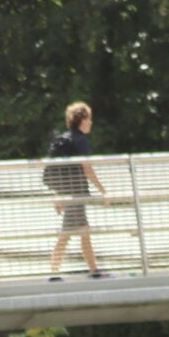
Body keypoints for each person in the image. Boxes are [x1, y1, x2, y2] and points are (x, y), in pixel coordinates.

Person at [43, 100, 110, 279]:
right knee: (68, 233)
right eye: (89, 119)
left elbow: (56, 171)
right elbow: (87, 168)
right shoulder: (81, 141)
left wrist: (57, 195)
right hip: (77, 192)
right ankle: (54, 272)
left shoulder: (63, 140)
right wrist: (104, 191)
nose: (91, 123)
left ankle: (93, 270)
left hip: (68, 191)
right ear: (82, 120)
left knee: (83, 230)